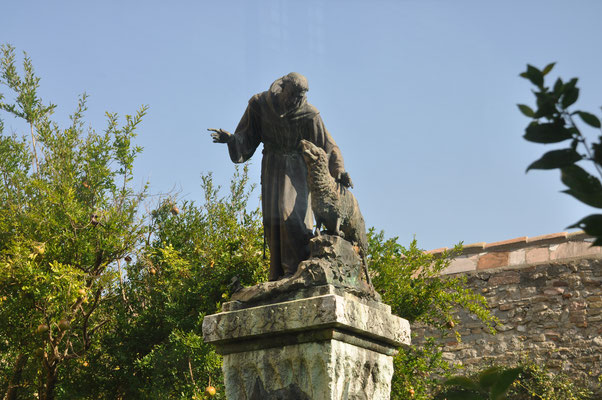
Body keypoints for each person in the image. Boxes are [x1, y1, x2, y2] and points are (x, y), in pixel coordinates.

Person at [209, 72, 352, 281]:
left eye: (300, 96)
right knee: (272, 220)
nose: (296, 100)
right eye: (293, 94)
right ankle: (279, 274)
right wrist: (232, 140)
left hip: (297, 170)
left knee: (290, 215)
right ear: (283, 87)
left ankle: (296, 269)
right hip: (272, 166)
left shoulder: (309, 114)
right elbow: (247, 135)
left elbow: (328, 146)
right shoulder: (260, 104)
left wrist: (339, 171)